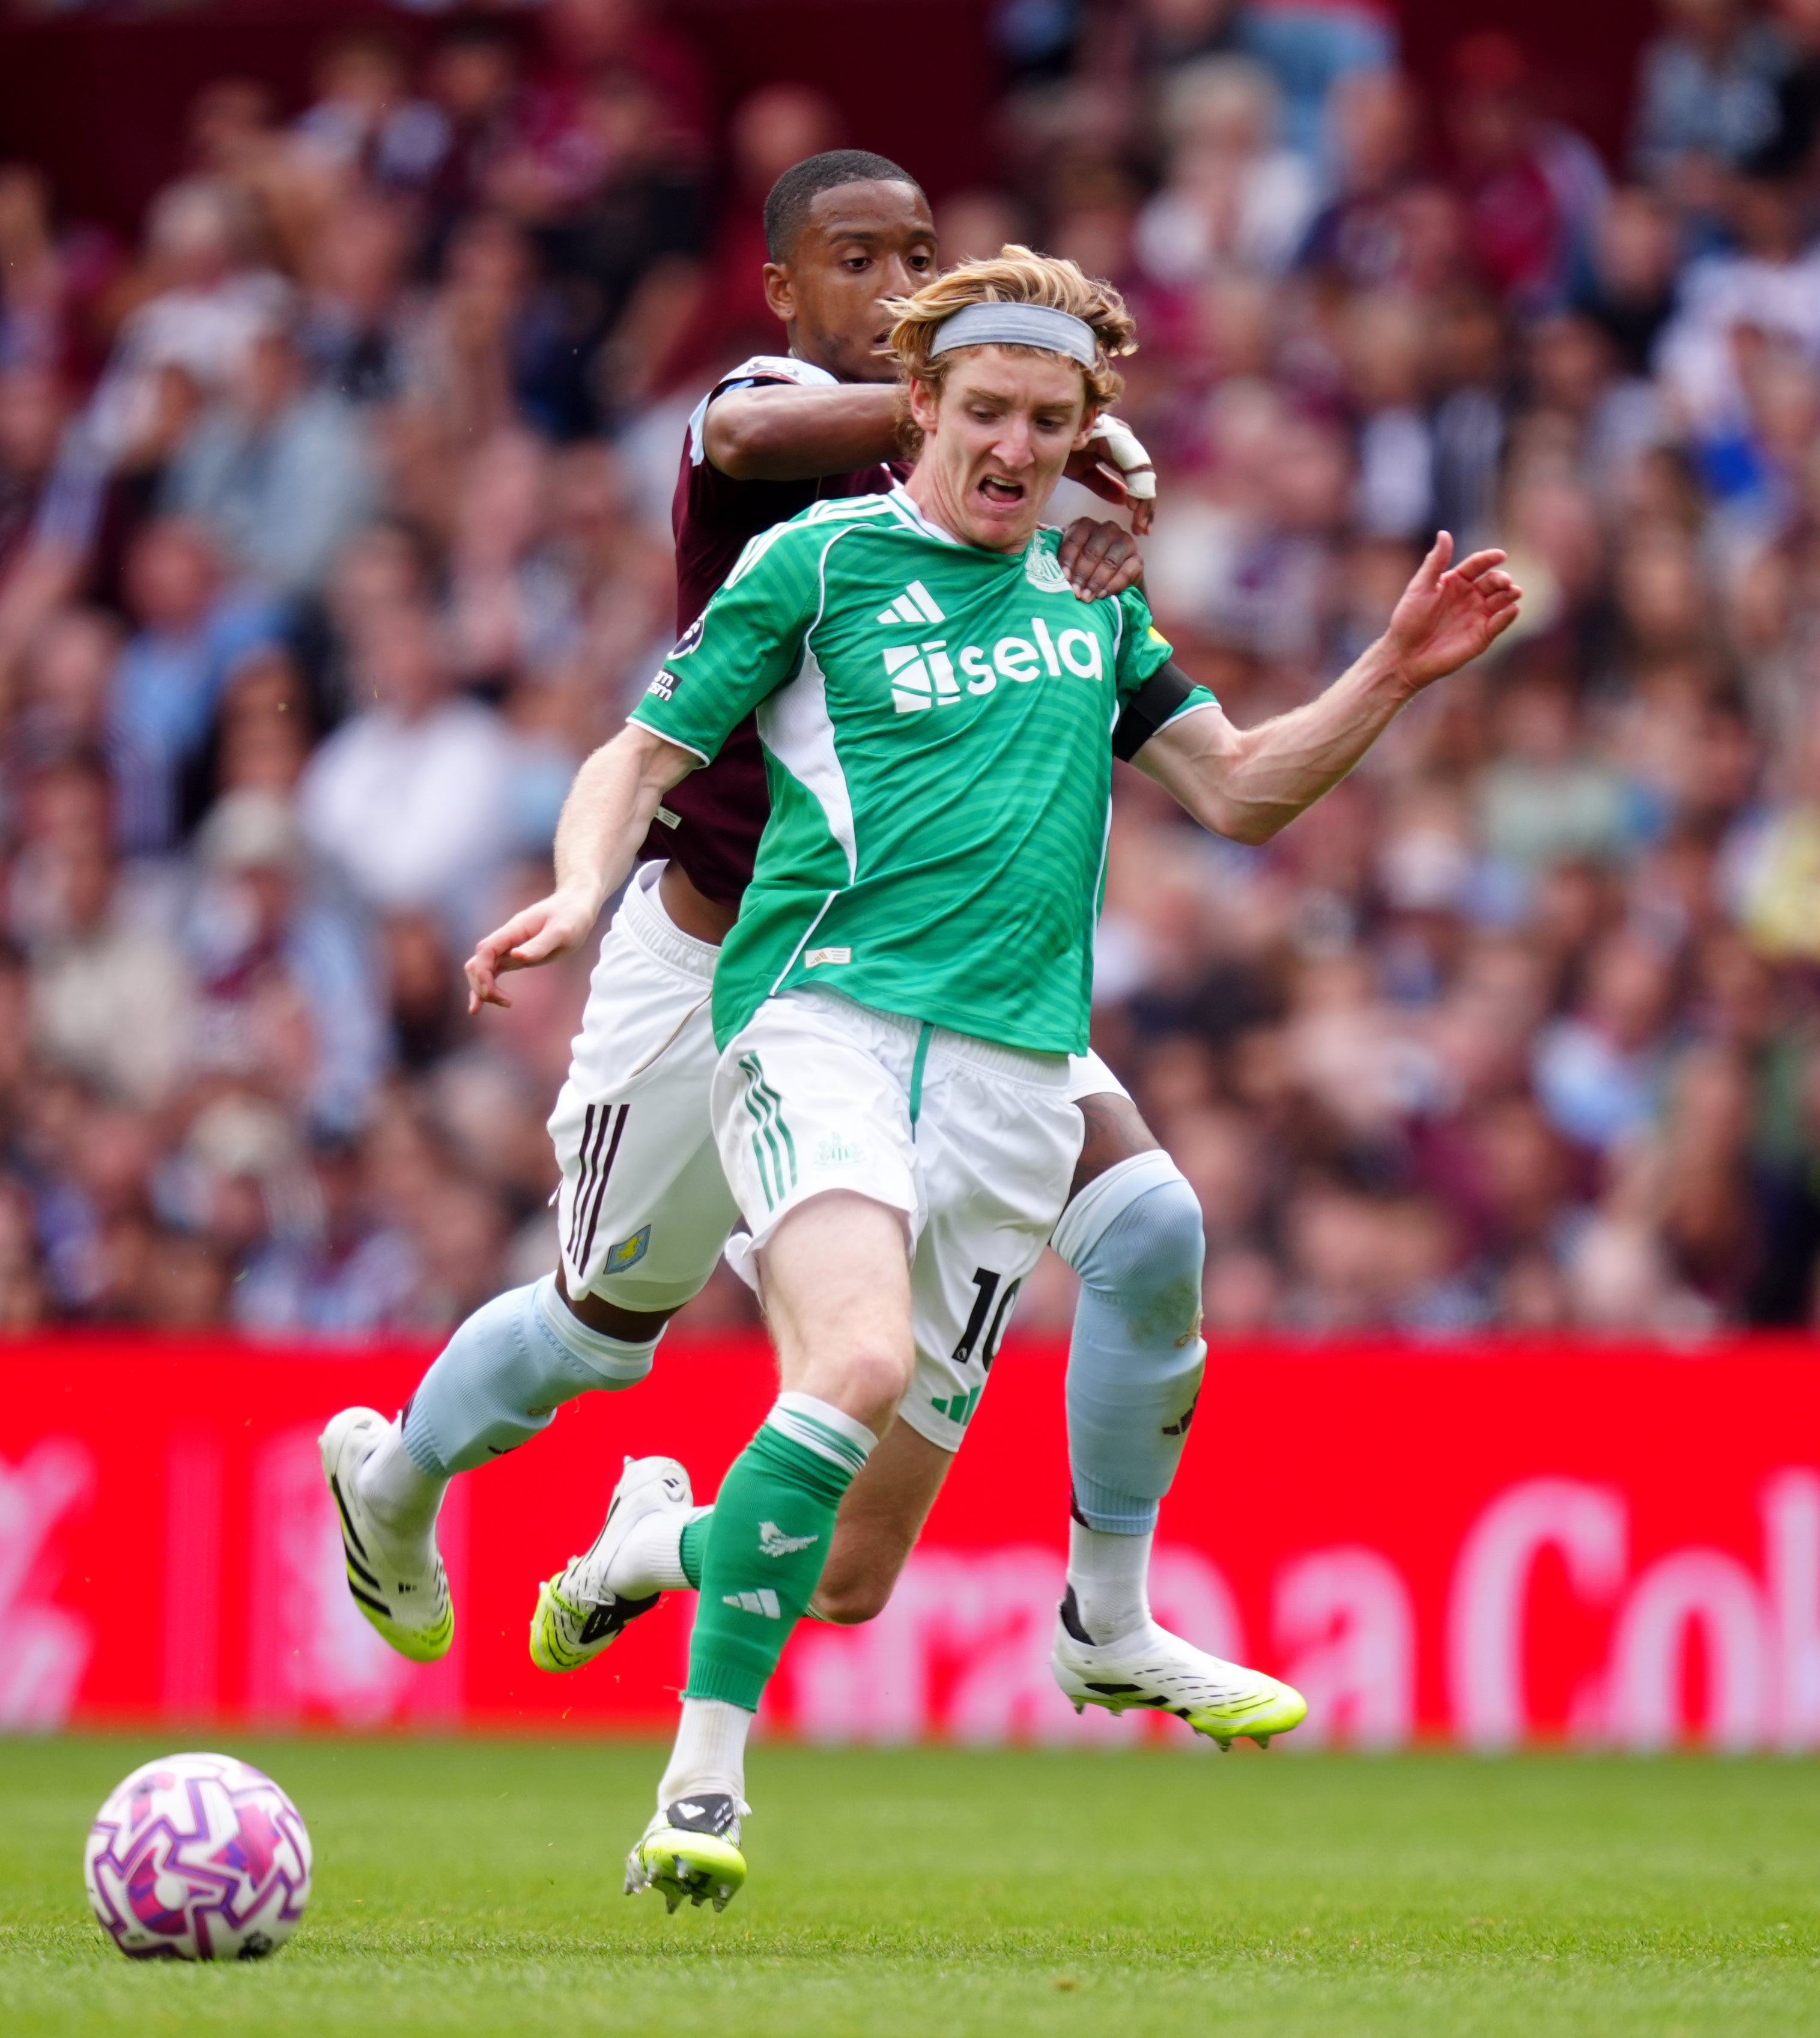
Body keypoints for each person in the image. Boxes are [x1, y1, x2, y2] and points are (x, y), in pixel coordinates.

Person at [464, 250, 1518, 1908]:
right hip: (819, 1023)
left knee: (858, 1570)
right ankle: (702, 1783)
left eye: (1046, 419)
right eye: (982, 413)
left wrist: (1385, 674)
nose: (1011, 446)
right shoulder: (818, 562)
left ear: (1082, 433)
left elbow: (1238, 791)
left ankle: (660, 1545)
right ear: (923, 417)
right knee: (857, 1356)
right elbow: (642, 749)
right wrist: (585, 887)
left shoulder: (1092, 605)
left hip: (1013, 1083)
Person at [315, 151, 1202, 1699]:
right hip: (712, 959)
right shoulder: (775, 417)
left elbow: (1103, 583)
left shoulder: (988, 478)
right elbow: (748, 425)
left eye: (918, 256)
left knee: (1149, 1226)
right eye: (854, 263)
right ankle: (395, 1483)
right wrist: (1006, 408)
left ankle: (1104, 1620)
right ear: (788, 292)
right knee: (603, 1331)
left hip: (926, 986)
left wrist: (1103, 500)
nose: (891, 289)